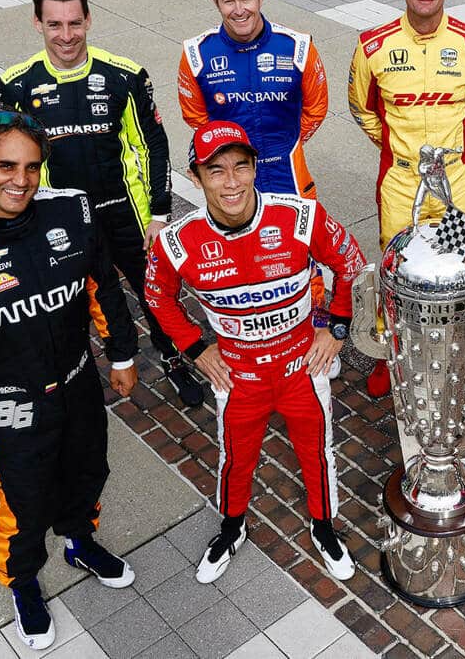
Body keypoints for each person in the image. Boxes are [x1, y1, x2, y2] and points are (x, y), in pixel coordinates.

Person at [144, 121, 365, 583]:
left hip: (301, 367)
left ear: (254, 169)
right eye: (216, 170)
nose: (231, 182)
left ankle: (324, 527)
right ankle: (231, 528)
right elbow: (158, 296)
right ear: (196, 177)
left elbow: (350, 264)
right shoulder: (176, 242)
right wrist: (195, 347)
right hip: (238, 376)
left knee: (317, 453)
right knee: (235, 458)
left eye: (240, 167)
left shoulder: (300, 216)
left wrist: (337, 329)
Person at [0, 108, 139, 650]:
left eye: (32, 167)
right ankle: (23, 584)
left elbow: (102, 284)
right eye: (6, 166)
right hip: (5, 405)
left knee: (88, 471)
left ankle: (80, 542)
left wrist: (122, 354)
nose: (21, 180)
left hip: (78, 383)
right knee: (24, 503)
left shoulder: (71, 209)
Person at [0, 0, 204, 407]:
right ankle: (90, 370)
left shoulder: (124, 75)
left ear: (89, 19)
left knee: (156, 295)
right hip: (62, 223)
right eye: (55, 24)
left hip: (127, 214)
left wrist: (159, 214)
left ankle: (173, 359)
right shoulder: (16, 86)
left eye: (75, 23)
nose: (66, 35)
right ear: (37, 23)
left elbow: (153, 144)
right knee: (78, 302)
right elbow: (7, 160)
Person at [348, 0, 465, 397]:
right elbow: (362, 109)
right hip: (401, 181)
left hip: (454, 181)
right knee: (395, 267)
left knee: (464, 266)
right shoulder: (373, 46)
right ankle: (390, 355)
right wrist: (398, 150)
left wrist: (450, 153)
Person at [178, 0, 328, 197]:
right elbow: (196, 117)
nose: (239, 10)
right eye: (228, 1)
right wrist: (230, 155)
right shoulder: (196, 54)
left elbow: (316, 108)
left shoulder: (298, 47)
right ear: (215, 1)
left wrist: (287, 143)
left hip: (289, 171)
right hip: (233, 179)